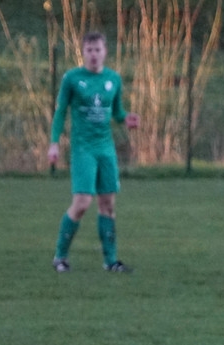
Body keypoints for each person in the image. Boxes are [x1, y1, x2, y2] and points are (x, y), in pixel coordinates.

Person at [48, 31, 140, 273]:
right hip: (83, 149)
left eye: (98, 50)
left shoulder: (113, 79)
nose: (94, 54)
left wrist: (126, 118)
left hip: (105, 149)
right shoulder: (72, 78)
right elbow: (61, 112)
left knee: (107, 204)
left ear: (105, 52)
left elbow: (116, 112)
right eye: (89, 50)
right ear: (83, 52)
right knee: (82, 203)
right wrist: (54, 142)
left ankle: (111, 261)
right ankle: (60, 257)